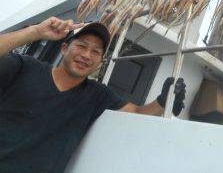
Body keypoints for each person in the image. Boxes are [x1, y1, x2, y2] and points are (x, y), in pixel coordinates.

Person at [0, 16, 186, 173]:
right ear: (64, 48)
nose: (87, 55)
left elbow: (138, 113)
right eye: (82, 46)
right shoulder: (24, 66)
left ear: (100, 62)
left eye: (96, 51)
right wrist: (35, 32)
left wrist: (163, 100)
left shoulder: (98, 95)